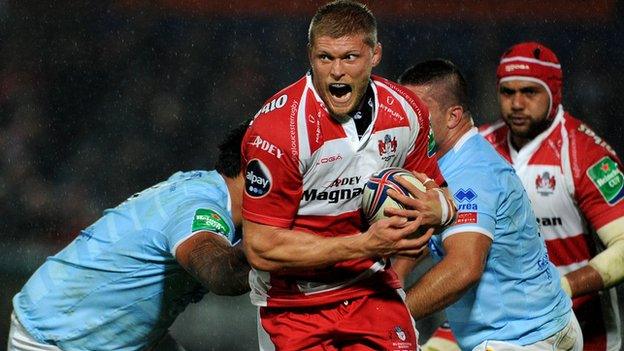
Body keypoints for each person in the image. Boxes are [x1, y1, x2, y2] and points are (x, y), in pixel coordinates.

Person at [240, 1, 456, 350]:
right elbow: (261, 248)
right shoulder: (278, 131)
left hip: (371, 291)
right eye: (325, 58)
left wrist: (439, 212)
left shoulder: (406, 111)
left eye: (350, 57)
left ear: (375, 55)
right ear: (310, 56)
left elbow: (438, 194)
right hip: (293, 307)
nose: (336, 71)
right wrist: (365, 244)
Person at [7, 122, 252, 351]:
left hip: (84, 323)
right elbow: (221, 273)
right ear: (254, 170)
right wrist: (278, 250)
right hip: (60, 337)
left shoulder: (205, 186)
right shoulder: (202, 206)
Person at [391, 59, 581, 351]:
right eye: (403, 111)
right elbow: (429, 239)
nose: (405, 122)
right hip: (538, 324)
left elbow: (464, 267)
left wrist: (392, 313)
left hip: (524, 339)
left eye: (417, 112)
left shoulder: (471, 175)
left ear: (453, 116)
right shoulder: (447, 161)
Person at [479, 42, 624, 351]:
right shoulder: (479, 148)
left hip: (587, 337)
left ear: (554, 94)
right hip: (503, 332)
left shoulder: (586, 155)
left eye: (530, 92)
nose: (516, 103)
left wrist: (557, 289)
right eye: (507, 92)